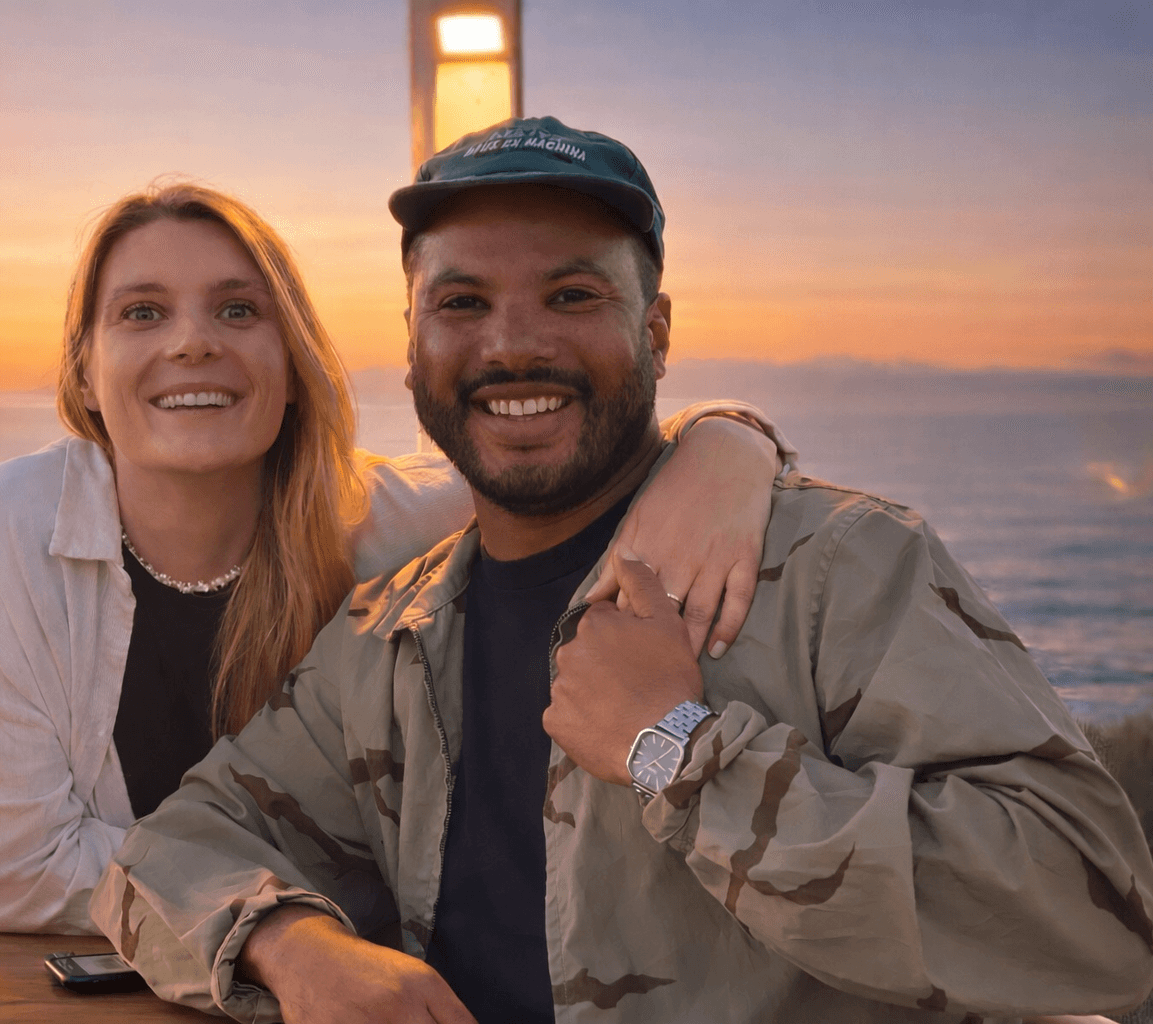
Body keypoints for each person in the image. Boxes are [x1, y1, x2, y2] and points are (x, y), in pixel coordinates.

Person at [91, 120, 1153, 1022]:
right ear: (410, 351)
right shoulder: (392, 636)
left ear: (656, 330)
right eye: (461, 303)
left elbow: (1098, 906)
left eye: (570, 295)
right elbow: (174, 846)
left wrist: (678, 756)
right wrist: (289, 941)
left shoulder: (838, 572)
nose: (513, 345)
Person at [0, 180, 793, 935]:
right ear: (82, 374)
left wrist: (727, 441)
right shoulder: (18, 524)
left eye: (237, 310)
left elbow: (587, 454)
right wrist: (279, 925)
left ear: (294, 363)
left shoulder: (392, 526)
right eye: (141, 312)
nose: (192, 342)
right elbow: (3, 872)